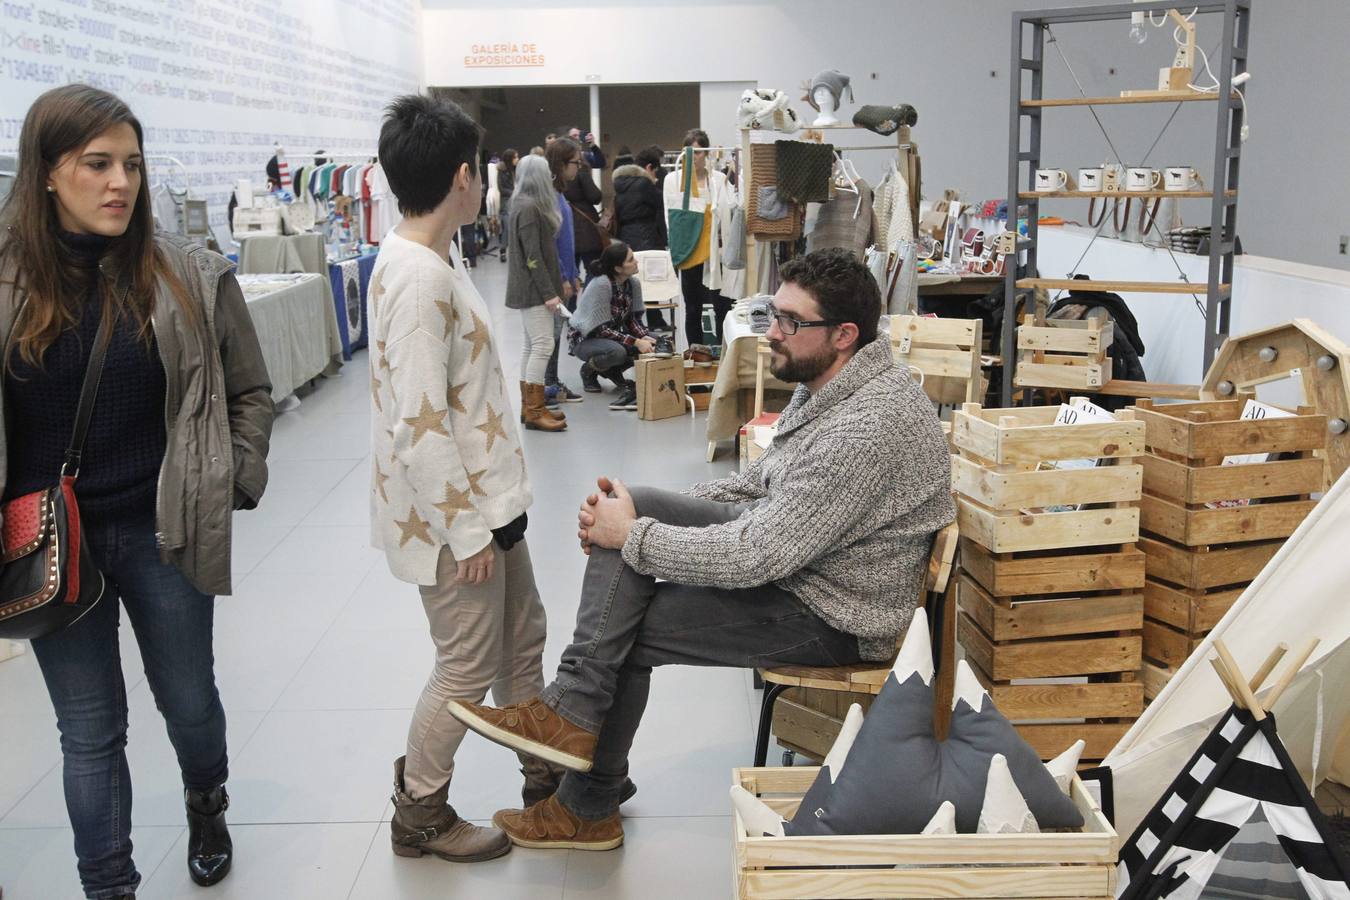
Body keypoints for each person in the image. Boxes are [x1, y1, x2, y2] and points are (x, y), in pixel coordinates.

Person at [448, 248, 955, 851]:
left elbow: (755, 555)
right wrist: (640, 514)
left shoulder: (865, 427)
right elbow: (761, 486)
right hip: (810, 565)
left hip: (837, 612)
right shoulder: (835, 382)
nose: (773, 333)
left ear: (844, 334)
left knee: (629, 625)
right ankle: (575, 727)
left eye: (791, 322)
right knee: (631, 502)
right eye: (774, 314)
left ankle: (588, 793)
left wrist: (630, 536)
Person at [0, 83, 274, 898]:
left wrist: (231, 477)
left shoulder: (186, 274)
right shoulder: (8, 285)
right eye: (97, 164)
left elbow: (250, 392)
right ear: (47, 173)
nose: (121, 182)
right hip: (53, 542)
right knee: (89, 733)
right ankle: (109, 885)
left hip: (166, 533)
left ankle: (205, 800)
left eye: (132, 164)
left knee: (188, 700)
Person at [367, 93, 565, 866]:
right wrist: (465, 529)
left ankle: (546, 778)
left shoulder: (432, 258)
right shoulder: (418, 281)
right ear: (461, 177)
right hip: (459, 522)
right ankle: (420, 809)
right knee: (465, 665)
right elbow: (418, 425)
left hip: (489, 504)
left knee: (522, 642)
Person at [505, 154, 568, 432]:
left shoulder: (520, 204)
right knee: (543, 345)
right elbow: (533, 257)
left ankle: (529, 408)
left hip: (527, 288)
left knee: (532, 346)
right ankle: (534, 410)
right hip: (534, 291)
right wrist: (548, 293)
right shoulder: (530, 208)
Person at [663, 129, 736, 351]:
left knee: (722, 304)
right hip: (690, 251)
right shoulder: (673, 179)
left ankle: (723, 353)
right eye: (690, 153)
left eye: (698, 152)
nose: (694, 157)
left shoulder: (719, 179)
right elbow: (670, 219)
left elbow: (729, 213)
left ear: (706, 153)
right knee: (693, 306)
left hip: (716, 252)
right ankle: (694, 353)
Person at [569, 242, 662, 409]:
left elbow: (632, 320)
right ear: (619, 268)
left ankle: (611, 370)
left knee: (658, 342)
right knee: (618, 351)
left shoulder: (632, 283)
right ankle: (588, 371)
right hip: (585, 339)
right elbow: (601, 329)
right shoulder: (602, 284)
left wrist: (643, 336)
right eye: (631, 259)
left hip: (610, 336)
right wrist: (636, 342)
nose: (636, 262)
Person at [542, 138, 583, 407]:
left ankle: (552, 382)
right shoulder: (550, 196)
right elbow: (551, 242)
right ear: (560, 163)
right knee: (550, 335)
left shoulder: (559, 193)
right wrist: (564, 276)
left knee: (555, 333)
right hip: (558, 278)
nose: (578, 168)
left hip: (566, 274)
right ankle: (548, 385)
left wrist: (573, 273)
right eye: (575, 163)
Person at [612, 146, 669, 329]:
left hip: (626, 237)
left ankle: (631, 322)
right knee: (650, 281)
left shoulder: (620, 185)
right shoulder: (645, 184)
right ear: (650, 168)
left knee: (630, 281)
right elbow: (661, 203)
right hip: (647, 236)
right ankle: (654, 320)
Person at [564, 156, 605, 278]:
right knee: (593, 270)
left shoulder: (555, 174)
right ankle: (589, 297)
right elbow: (595, 196)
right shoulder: (581, 173)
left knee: (570, 273)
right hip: (586, 227)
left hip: (566, 227)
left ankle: (571, 297)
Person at [497, 149, 518, 263]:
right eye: (515, 157)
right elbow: (501, 189)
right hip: (506, 202)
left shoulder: (516, 170)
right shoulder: (502, 171)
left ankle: (514, 251)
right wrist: (514, 192)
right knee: (508, 227)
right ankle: (503, 250)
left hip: (516, 201)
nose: (517, 159)